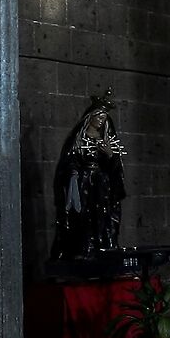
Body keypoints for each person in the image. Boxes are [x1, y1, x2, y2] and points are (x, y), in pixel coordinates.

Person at [52, 89, 127, 259]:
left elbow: (116, 166)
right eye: (99, 117)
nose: (101, 121)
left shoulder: (107, 138)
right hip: (83, 183)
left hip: (102, 185)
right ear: (90, 116)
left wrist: (110, 155)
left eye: (104, 118)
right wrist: (73, 172)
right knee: (83, 216)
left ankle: (103, 246)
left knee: (103, 215)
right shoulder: (78, 138)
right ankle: (83, 248)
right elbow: (70, 158)